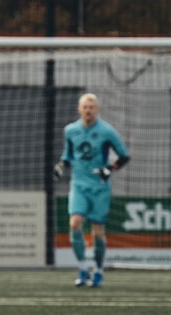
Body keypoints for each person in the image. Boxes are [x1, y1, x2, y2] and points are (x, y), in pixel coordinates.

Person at [53, 93, 130, 288]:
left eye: (92, 107)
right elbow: (69, 155)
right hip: (79, 185)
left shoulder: (106, 131)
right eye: (85, 107)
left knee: (97, 232)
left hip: (99, 188)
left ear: (97, 109)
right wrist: (62, 165)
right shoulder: (70, 130)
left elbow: (123, 156)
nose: (88, 110)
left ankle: (99, 270)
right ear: (79, 109)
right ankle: (82, 268)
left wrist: (109, 169)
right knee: (75, 222)